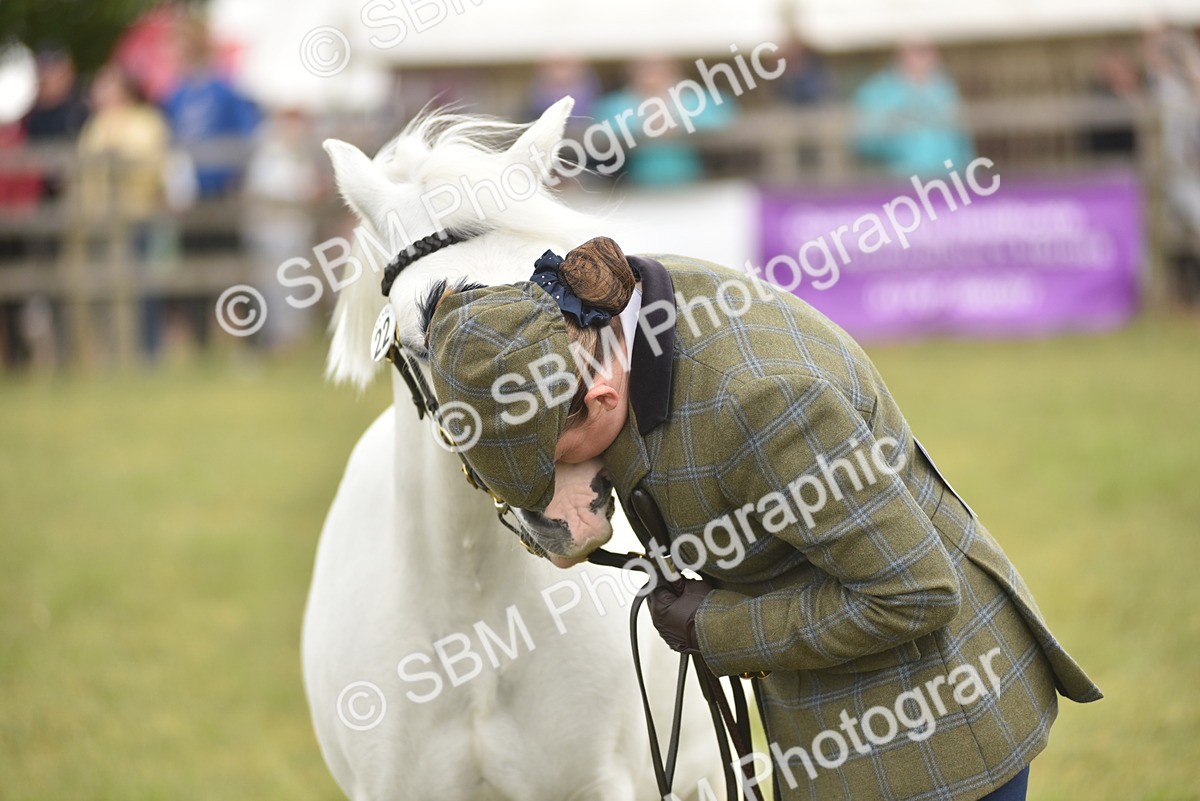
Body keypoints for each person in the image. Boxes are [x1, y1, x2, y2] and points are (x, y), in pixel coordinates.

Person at [421, 237, 1102, 801]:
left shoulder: (765, 403)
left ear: (597, 398)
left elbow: (913, 591)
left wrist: (712, 625)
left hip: (930, 736)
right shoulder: (612, 317)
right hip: (837, 712)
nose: (543, 492)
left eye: (548, 466)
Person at [77, 65, 171, 360]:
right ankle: (113, 352)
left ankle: (149, 352)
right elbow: (84, 168)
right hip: (100, 219)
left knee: (143, 288)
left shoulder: (146, 121)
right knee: (105, 289)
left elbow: (152, 164)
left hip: (137, 215)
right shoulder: (95, 124)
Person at [593, 57, 736, 185]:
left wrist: (676, 117)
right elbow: (601, 130)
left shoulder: (695, 99)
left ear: (675, 68)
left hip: (692, 180)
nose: (653, 73)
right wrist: (645, 121)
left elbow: (723, 119)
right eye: (644, 67)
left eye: (660, 66)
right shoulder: (617, 103)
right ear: (630, 71)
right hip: (635, 183)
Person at [853, 40, 974, 177]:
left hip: (949, 181)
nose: (924, 57)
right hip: (898, 184)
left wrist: (968, 176)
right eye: (917, 50)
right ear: (899, 53)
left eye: (929, 50)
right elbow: (864, 145)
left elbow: (962, 141)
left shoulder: (946, 88)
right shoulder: (875, 92)